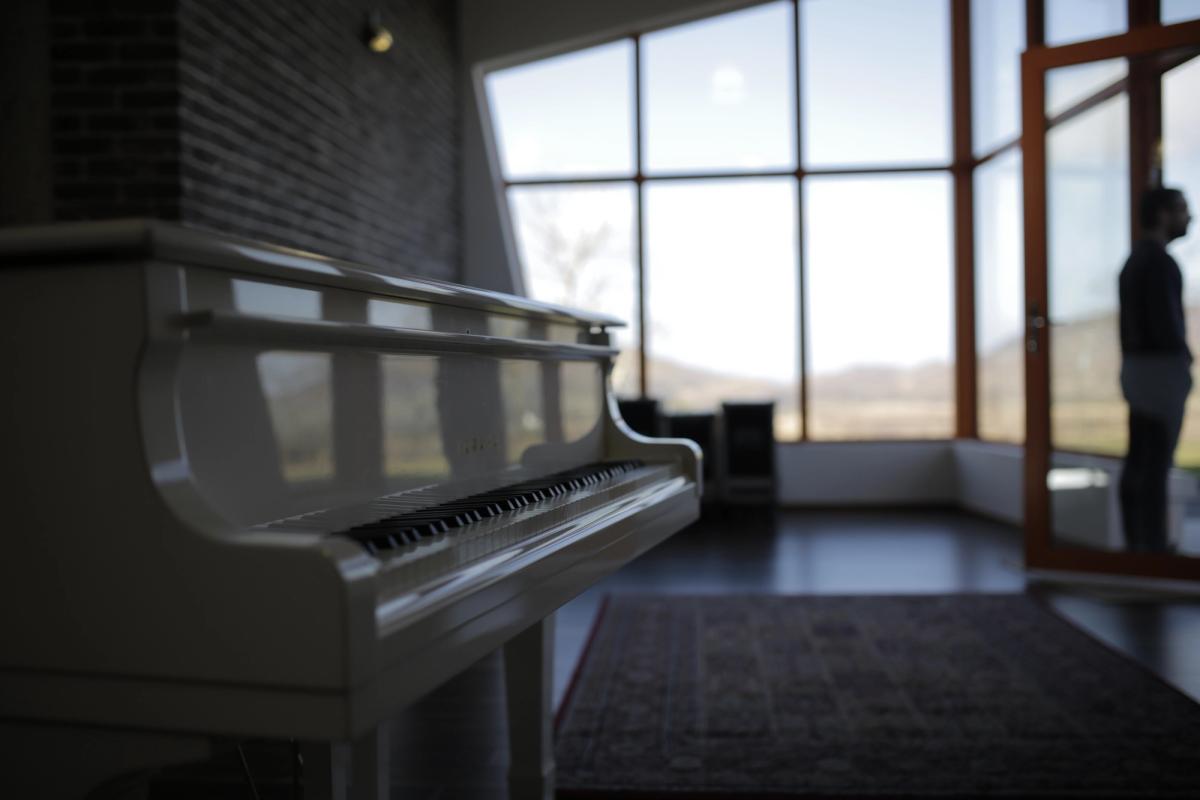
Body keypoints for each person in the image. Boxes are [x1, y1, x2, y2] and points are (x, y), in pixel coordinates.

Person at [1118, 186, 1193, 553]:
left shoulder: (1134, 261)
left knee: (1141, 460)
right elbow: (1166, 326)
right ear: (1162, 214)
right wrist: (1183, 359)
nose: (1189, 217)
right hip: (1158, 372)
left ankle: (1139, 547)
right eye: (1181, 210)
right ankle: (1152, 552)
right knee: (1155, 464)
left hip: (1139, 371)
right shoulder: (1159, 263)